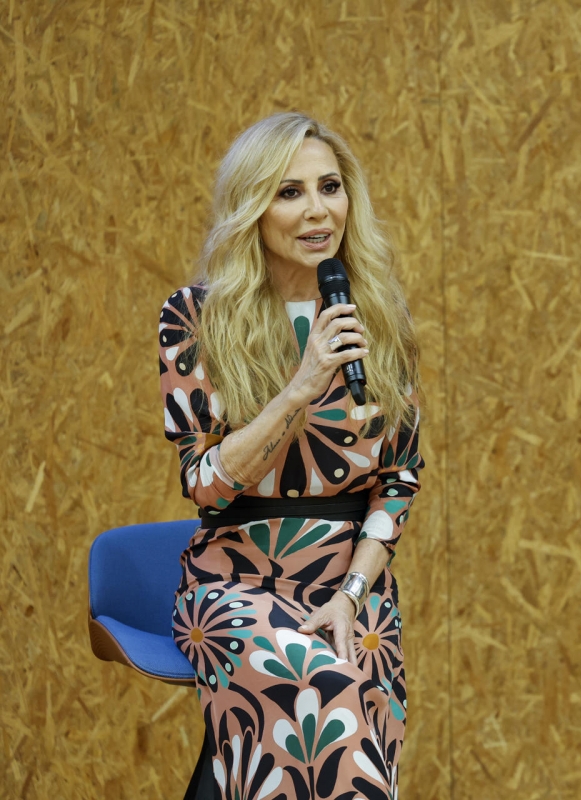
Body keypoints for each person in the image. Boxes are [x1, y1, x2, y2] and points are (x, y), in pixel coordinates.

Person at [159, 112, 422, 799]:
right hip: (236, 581)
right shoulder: (195, 318)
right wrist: (299, 388)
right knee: (321, 687)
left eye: (330, 187)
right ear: (253, 208)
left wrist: (352, 594)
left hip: (350, 586)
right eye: (289, 191)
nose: (317, 210)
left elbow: (398, 480)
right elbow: (205, 485)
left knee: (361, 709)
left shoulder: (380, 316)